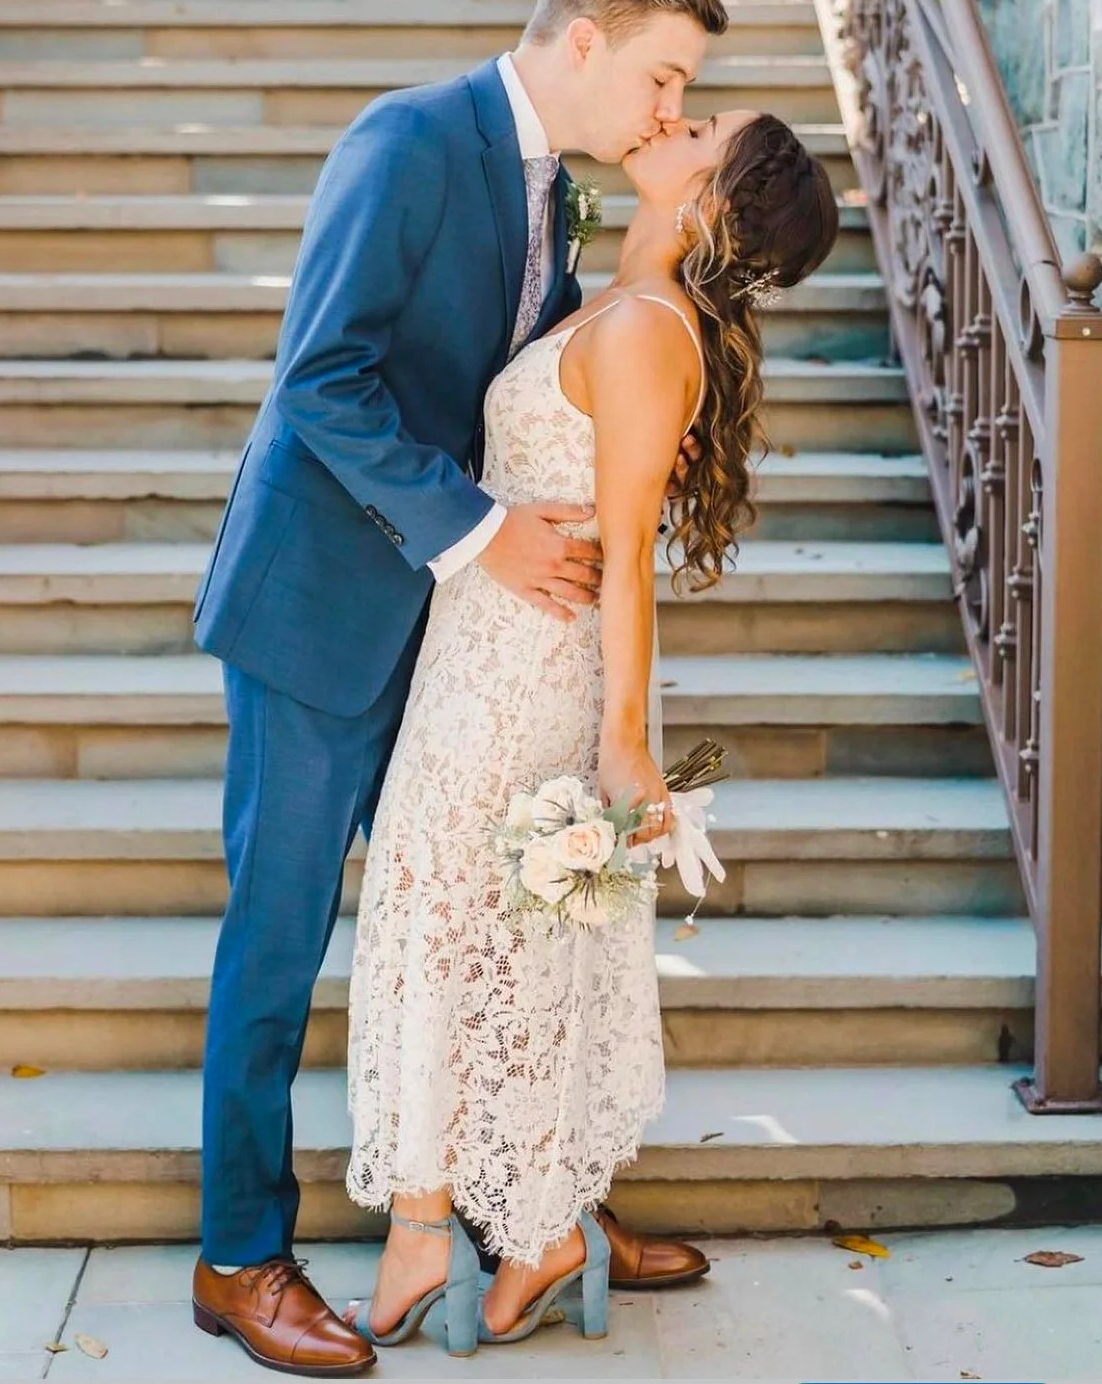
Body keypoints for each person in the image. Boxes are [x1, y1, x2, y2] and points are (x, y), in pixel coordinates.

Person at [190, 0, 734, 1377]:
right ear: (580, 42)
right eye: (660, 75)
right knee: (281, 927)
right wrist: (481, 531)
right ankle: (238, 1253)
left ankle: (529, 1202)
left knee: (494, 923)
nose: (665, 111)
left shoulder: (553, 196)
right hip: (317, 609)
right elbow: (320, 377)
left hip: (448, 639)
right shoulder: (409, 139)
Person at [340, 108, 838, 1357]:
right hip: (484, 642)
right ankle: (508, 1223)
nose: (678, 114)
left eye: (705, 128)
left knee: (448, 912)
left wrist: (622, 746)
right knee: (443, 914)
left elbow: (628, 560)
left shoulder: (647, 336)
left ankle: (482, 1224)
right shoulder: (617, 303)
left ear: (715, 208)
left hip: (530, 672)